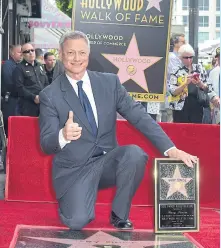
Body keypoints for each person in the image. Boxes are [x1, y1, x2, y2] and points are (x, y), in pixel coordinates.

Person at [39, 31, 197, 231]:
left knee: (135, 154)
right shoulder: (49, 95)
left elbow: (139, 116)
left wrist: (171, 149)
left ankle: (119, 213)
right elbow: (46, 143)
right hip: (74, 170)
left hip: (106, 163)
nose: (76, 58)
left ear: (88, 54)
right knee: (77, 221)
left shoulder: (109, 83)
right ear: (61, 54)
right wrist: (63, 135)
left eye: (81, 53)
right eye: (70, 53)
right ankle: (74, 199)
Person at [169, 44, 216, 123]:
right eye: (186, 57)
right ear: (180, 57)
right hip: (180, 106)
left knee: (196, 130)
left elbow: (208, 88)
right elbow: (173, 91)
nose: (189, 60)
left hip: (197, 104)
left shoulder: (199, 68)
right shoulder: (176, 70)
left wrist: (200, 83)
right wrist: (185, 84)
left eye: (191, 57)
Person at [13, 43, 49, 116]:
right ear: (22, 55)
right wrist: (33, 97)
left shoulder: (39, 66)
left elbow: (46, 82)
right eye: (27, 51)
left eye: (32, 50)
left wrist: (45, 95)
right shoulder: (19, 68)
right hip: (28, 105)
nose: (30, 53)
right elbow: (19, 88)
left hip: (43, 104)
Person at [160, 33, 185, 122]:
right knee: (169, 118)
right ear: (175, 43)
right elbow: (175, 74)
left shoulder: (179, 57)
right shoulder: (172, 57)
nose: (184, 44)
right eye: (183, 42)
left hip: (178, 94)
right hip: (170, 93)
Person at [1, 44, 22, 136]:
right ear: (12, 53)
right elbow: (9, 83)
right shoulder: (8, 65)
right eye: (19, 52)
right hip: (11, 99)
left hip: (18, 99)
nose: (21, 54)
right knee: (9, 125)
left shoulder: (19, 65)